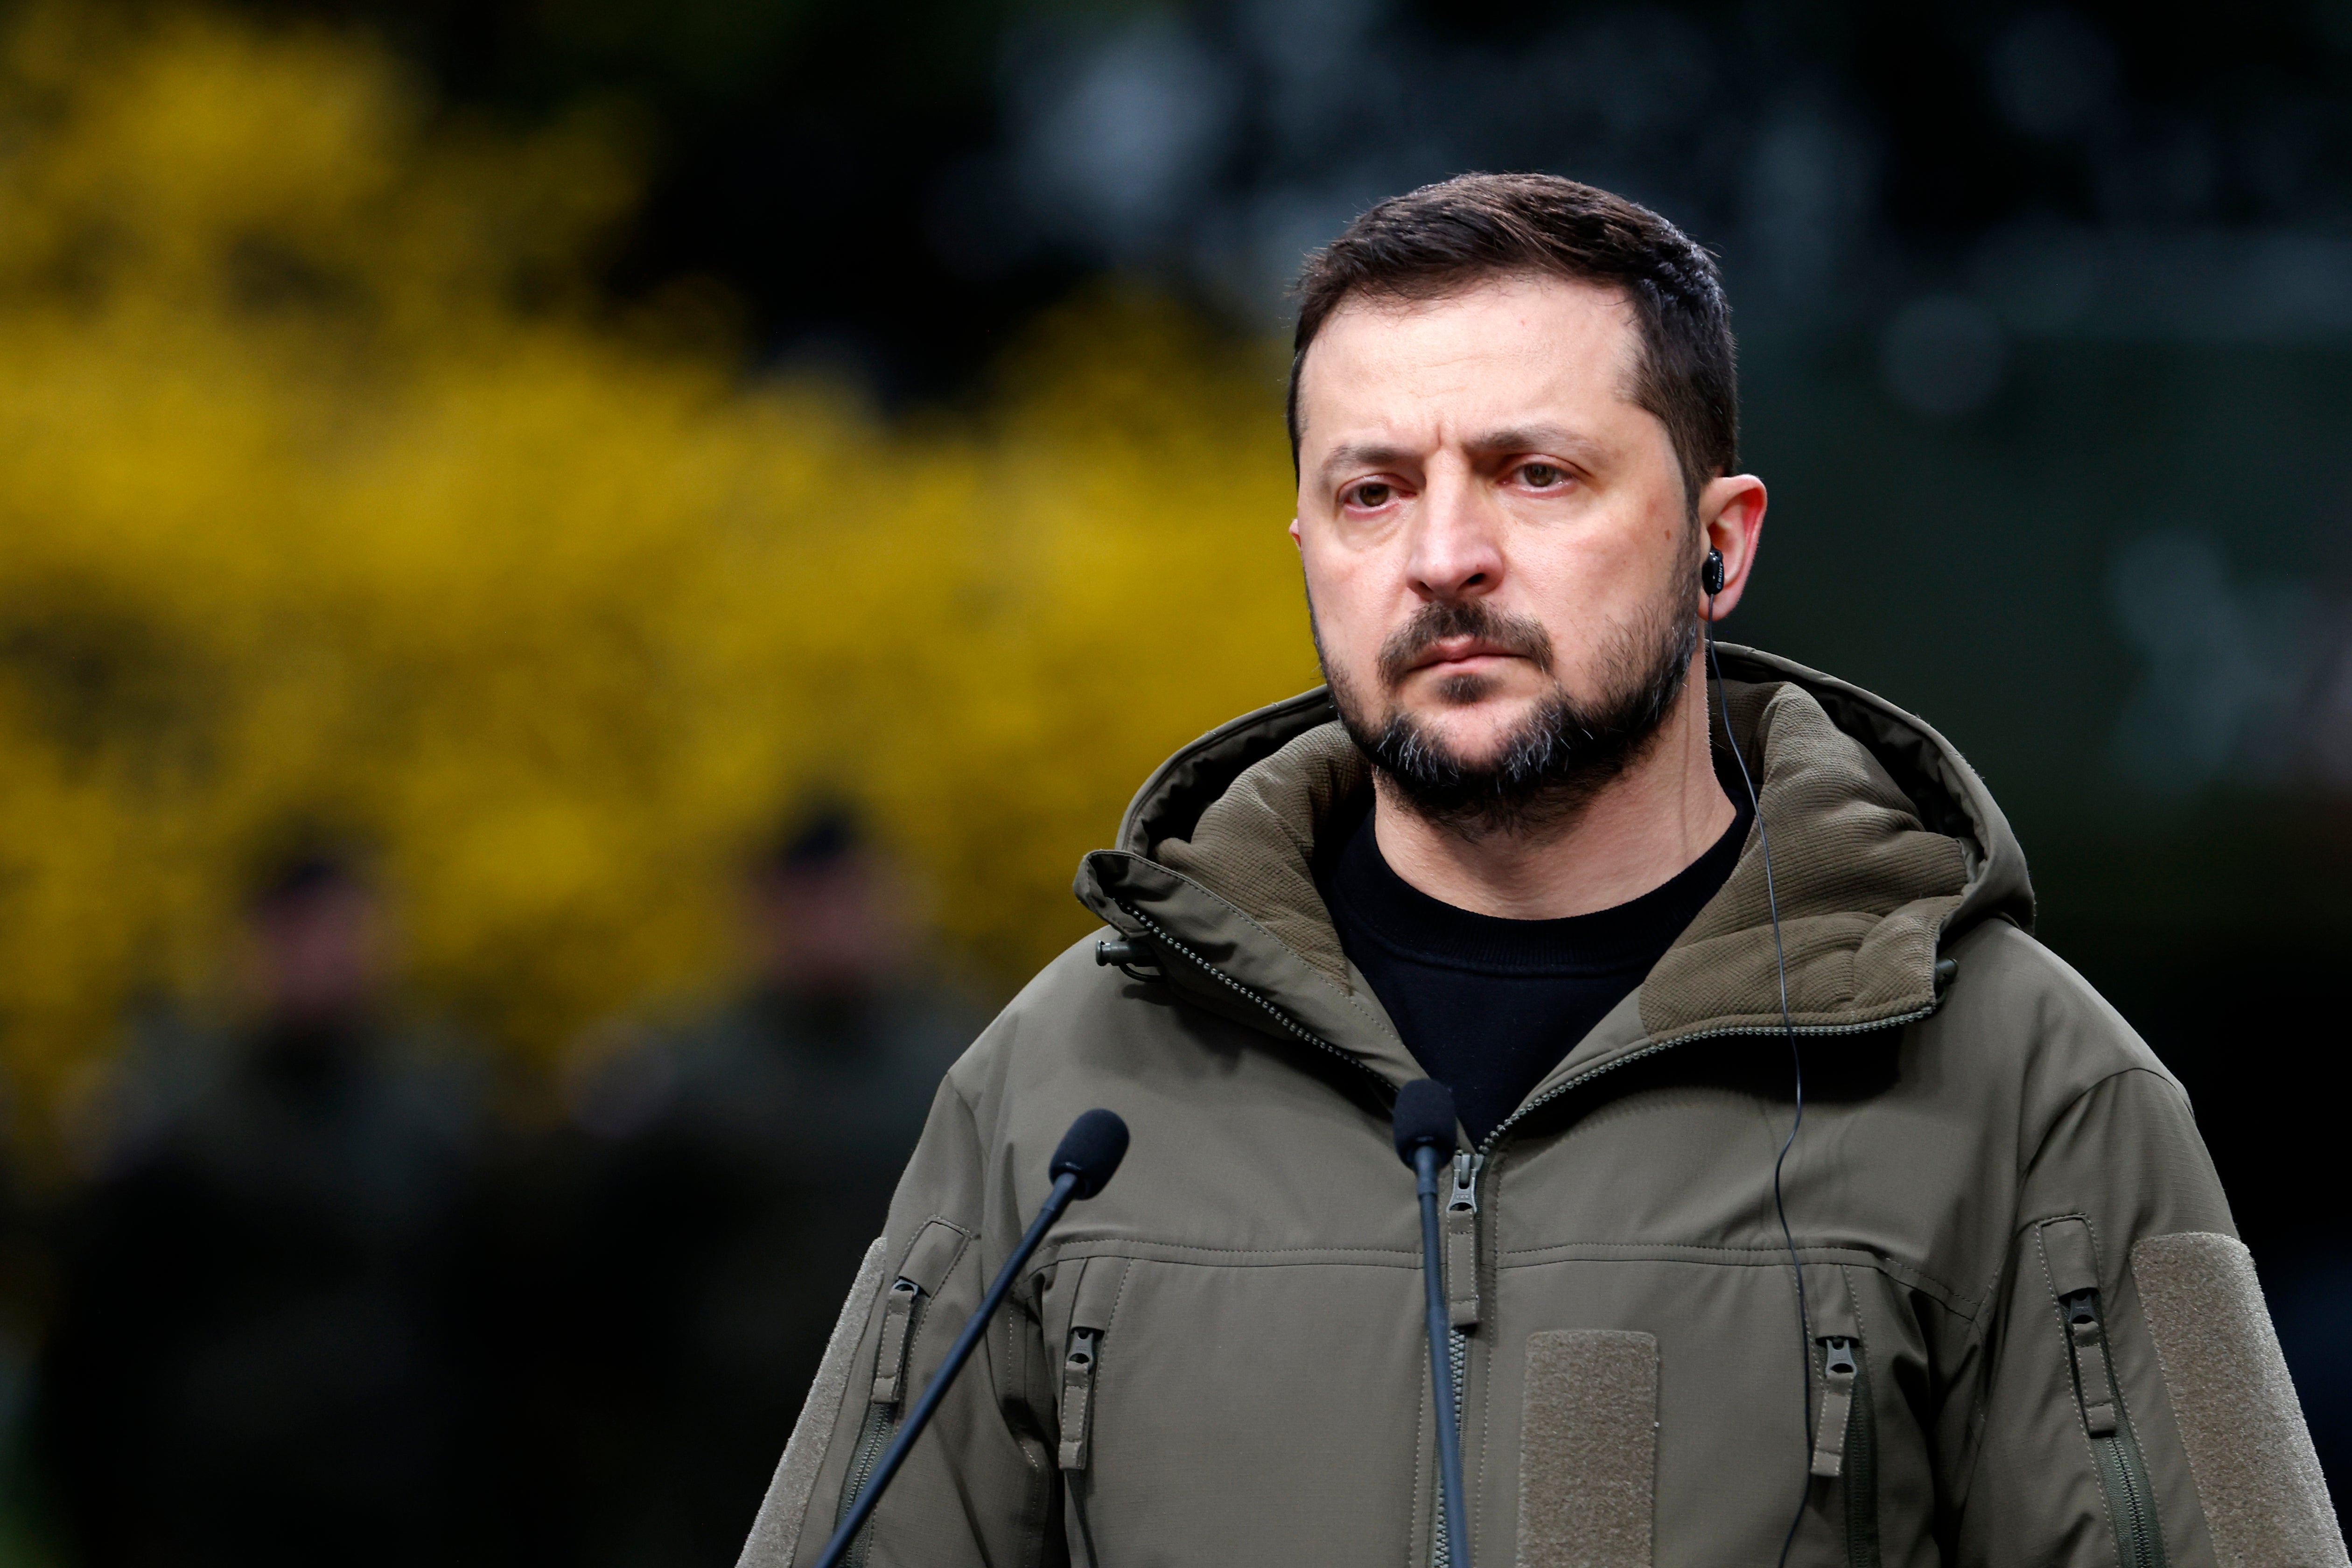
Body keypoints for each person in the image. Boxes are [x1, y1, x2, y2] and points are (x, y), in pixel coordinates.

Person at [735, 175, 2343, 1567]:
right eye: (1373, 492)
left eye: (1535, 474)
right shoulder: (1060, 1094)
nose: (1443, 558)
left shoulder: (2033, 1087)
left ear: (1721, 542)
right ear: (1309, 549)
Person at [512, 805, 976, 1568]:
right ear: (765, 912)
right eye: (810, 902)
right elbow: (589, 1275)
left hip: (908, 1449)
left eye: (853, 897)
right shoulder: (685, 1073)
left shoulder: (960, 1063)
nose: (833, 926)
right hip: (721, 1463)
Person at [41, 852, 487, 1568]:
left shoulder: (436, 1112)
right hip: (219, 1505)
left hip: (392, 1500)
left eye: (344, 932)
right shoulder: (178, 1122)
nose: (324, 958)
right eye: (299, 933)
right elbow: (96, 1347)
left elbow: (481, 1320)